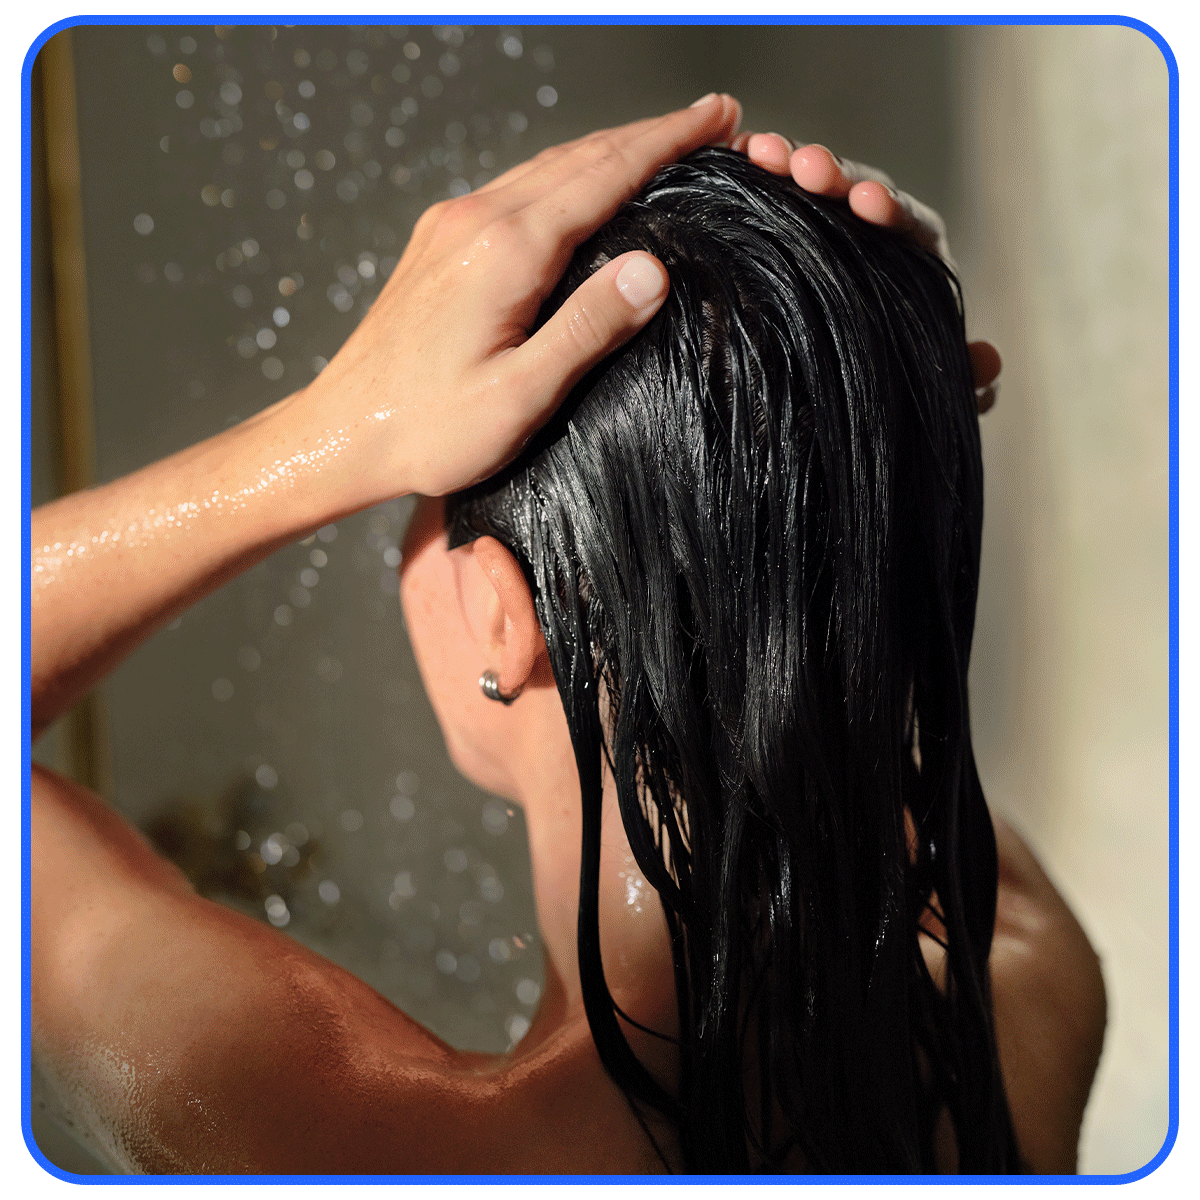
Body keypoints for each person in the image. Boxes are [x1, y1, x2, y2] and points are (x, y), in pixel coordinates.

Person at [29, 96, 1096, 1175]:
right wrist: (848, 397)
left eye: (414, 503)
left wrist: (331, 432)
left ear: (505, 617)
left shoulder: (336, 1140)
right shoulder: (1020, 990)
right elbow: (837, 698)